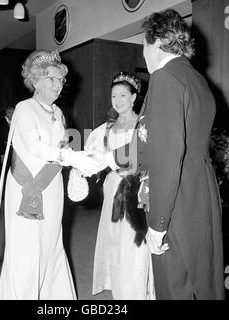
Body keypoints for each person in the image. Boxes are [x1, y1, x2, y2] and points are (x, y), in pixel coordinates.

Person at [109, 9, 225, 300]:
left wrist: (157, 224)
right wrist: (106, 159)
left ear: (158, 41)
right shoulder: (196, 79)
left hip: (174, 200)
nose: (144, 54)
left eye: (144, 46)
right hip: (200, 193)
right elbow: (151, 143)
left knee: (173, 287)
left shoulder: (164, 78)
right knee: (202, 284)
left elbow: (166, 156)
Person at [0, 49, 100, 300]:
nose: (58, 85)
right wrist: (69, 157)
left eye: (61, 80)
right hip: (28, 189)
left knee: (52, 244)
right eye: (51, 79)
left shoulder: (58, 112)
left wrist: (77, 162)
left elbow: (60, 148)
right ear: (35, 80)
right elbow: (35, 147)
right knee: (28, 250)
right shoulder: (24, 108)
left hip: (52, 187)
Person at [85, 72, 155, 300]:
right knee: (114, 238)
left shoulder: (143, 124)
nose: (118, 100)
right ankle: (117, 284)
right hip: (112, 186)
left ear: (134, 97)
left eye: (123, 95)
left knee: (134, 240)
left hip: (136, 188)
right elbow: (94, 156)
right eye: (114, 95)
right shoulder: (106, 128)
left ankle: (135, 290)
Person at [0, 107, 14, 180]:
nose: (14, 114)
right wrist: (2, 153)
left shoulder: (14, 122)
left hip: (13, 150)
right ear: (7, 113)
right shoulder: (0, 123)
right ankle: (3, 185)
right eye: (12, 113)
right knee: (3, 169)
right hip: (3, 149)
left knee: (11, 168)